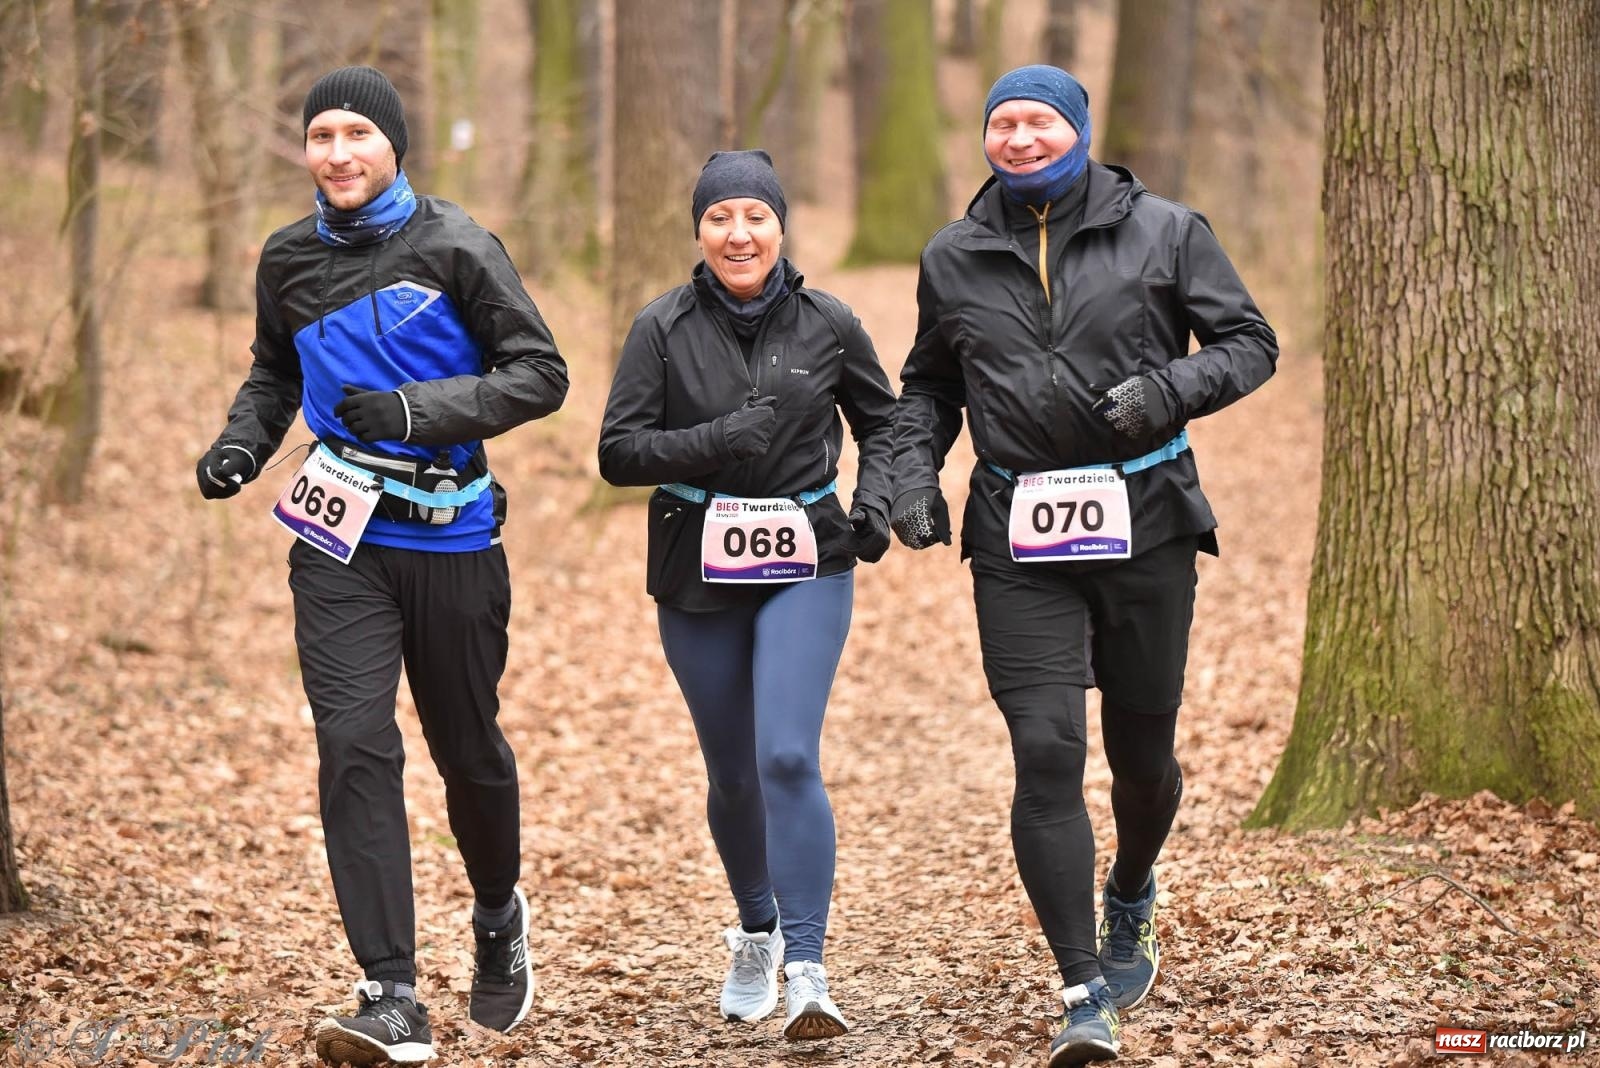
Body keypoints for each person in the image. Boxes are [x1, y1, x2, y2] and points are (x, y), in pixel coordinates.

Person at [889, 66, 1278, 1066]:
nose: (1019, 138)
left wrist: (1170, 388)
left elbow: (1248, 340)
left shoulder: (1165, 230)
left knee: (1140, 760)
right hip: (1018, 533)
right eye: (1002, 122)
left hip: (1145, 520)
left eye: (1039, 121)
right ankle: (1081, 990)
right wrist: (909, 475)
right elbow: (929, 386)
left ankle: (1131, 892)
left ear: (1078, 130)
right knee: (1048, 748)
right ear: (985, 137)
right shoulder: (954, 253)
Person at [193, 66, 568, 1066]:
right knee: (354, 743)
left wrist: (417, 412)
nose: (338, 152)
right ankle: (389, 992)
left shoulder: (456, 245)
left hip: (449, 537)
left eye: (359, 132)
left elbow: (540, 374)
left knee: (468, 748)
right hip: (337, 540)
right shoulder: (286, 260)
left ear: (395, 145)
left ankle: (497, 912)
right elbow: (274, 370)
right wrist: (242, 442)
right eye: (321, 135)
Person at [598, 150, 896, 1042]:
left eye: (755, 217)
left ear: (780, 227)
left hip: (808, 558)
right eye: (721, 218)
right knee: (732, 773)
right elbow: (619, 452)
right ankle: (757, 929)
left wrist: (878, 501)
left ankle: (808, 967)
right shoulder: (660, 327)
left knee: (787, 759)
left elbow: (887, 424)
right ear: (699, 230)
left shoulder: (830, 323)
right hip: (697, 565)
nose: (739, 234)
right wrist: (716, 439)